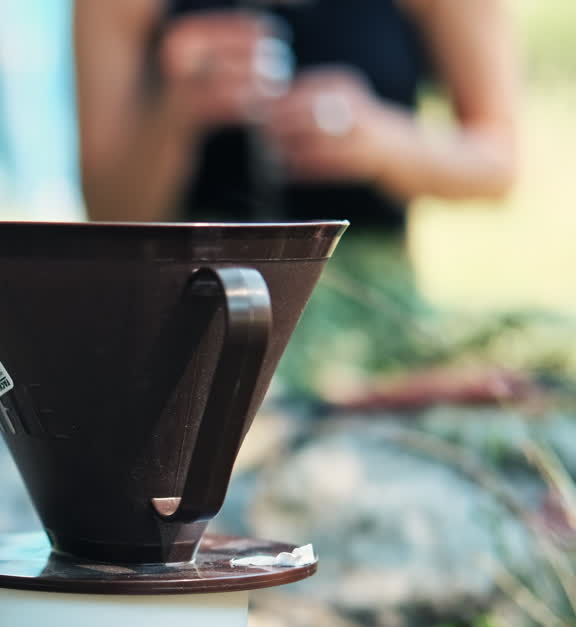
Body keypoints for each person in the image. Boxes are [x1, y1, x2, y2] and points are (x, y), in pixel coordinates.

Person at [71, 0, 571, 403]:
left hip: (373, 316)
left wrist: (382, 142)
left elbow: (498, 161)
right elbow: (108, 210)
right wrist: (176, 113)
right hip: (196, 315)